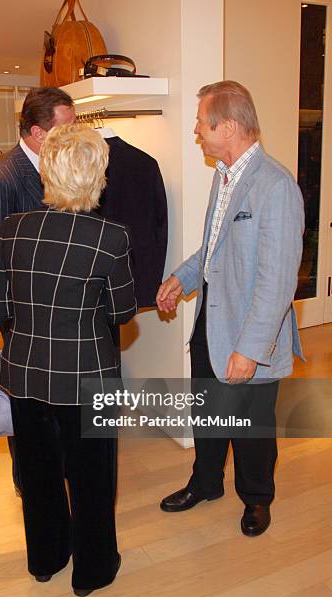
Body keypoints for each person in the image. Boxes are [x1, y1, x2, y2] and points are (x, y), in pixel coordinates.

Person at [0, 124, 137, 595]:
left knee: (39, 474)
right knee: (92, 479)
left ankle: (46, 560)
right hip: (87, 377)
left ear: (48, 172)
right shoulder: (110, 238)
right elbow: (122, 310)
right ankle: (92, 571)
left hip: (27, 373)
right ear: (98, 176)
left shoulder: (14, 230)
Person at [157, 81, 304, 536]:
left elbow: (278, 282)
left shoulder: (275, 186)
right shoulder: (224, 176)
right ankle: (205, 483)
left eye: (202, 122)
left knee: (252, 428)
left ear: (230, 127)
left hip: (251, 336)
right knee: (207, 411)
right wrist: (180, 278)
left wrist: (250, 348)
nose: (196, 131)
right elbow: (214, 248)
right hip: (211, 322)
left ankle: (257, 499)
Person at [0, 87, 75, 495]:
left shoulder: (59, 165)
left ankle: (60, 470)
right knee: (27, 408)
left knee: (56, 405)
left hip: (59, 314)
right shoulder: (4, 177)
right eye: (65, 128)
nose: (73, 135)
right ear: (37, 131)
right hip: (23, 314)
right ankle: (29, 482)